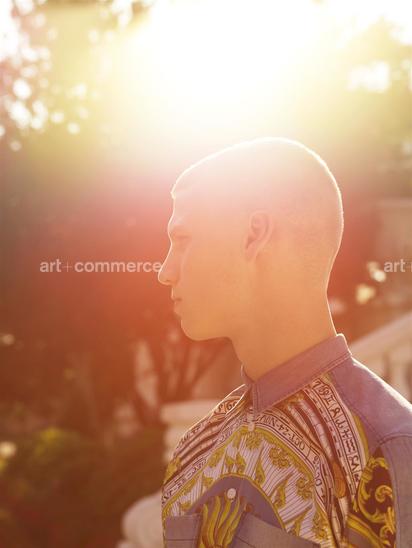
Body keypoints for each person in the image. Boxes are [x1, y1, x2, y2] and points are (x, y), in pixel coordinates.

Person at [157, 137, 412, 547]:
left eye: (183, 239)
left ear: (253, 235)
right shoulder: (193, 453)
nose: (165, 271)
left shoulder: (387, 450)